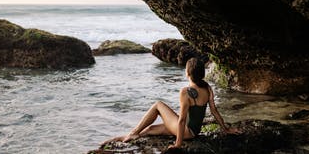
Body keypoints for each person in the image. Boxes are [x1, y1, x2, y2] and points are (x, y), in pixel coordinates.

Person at [101, 57, 240, 149]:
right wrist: (226, 129)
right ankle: (125, 137)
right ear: (202, 74)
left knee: (158, 105)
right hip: (194, 132)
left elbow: (182, 120)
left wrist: (178, 144)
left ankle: (133, 132)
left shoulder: (185, 92)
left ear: (187, 73)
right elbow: (214, 111)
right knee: (149, 130)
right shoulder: (207, 88)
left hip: (185, 131)